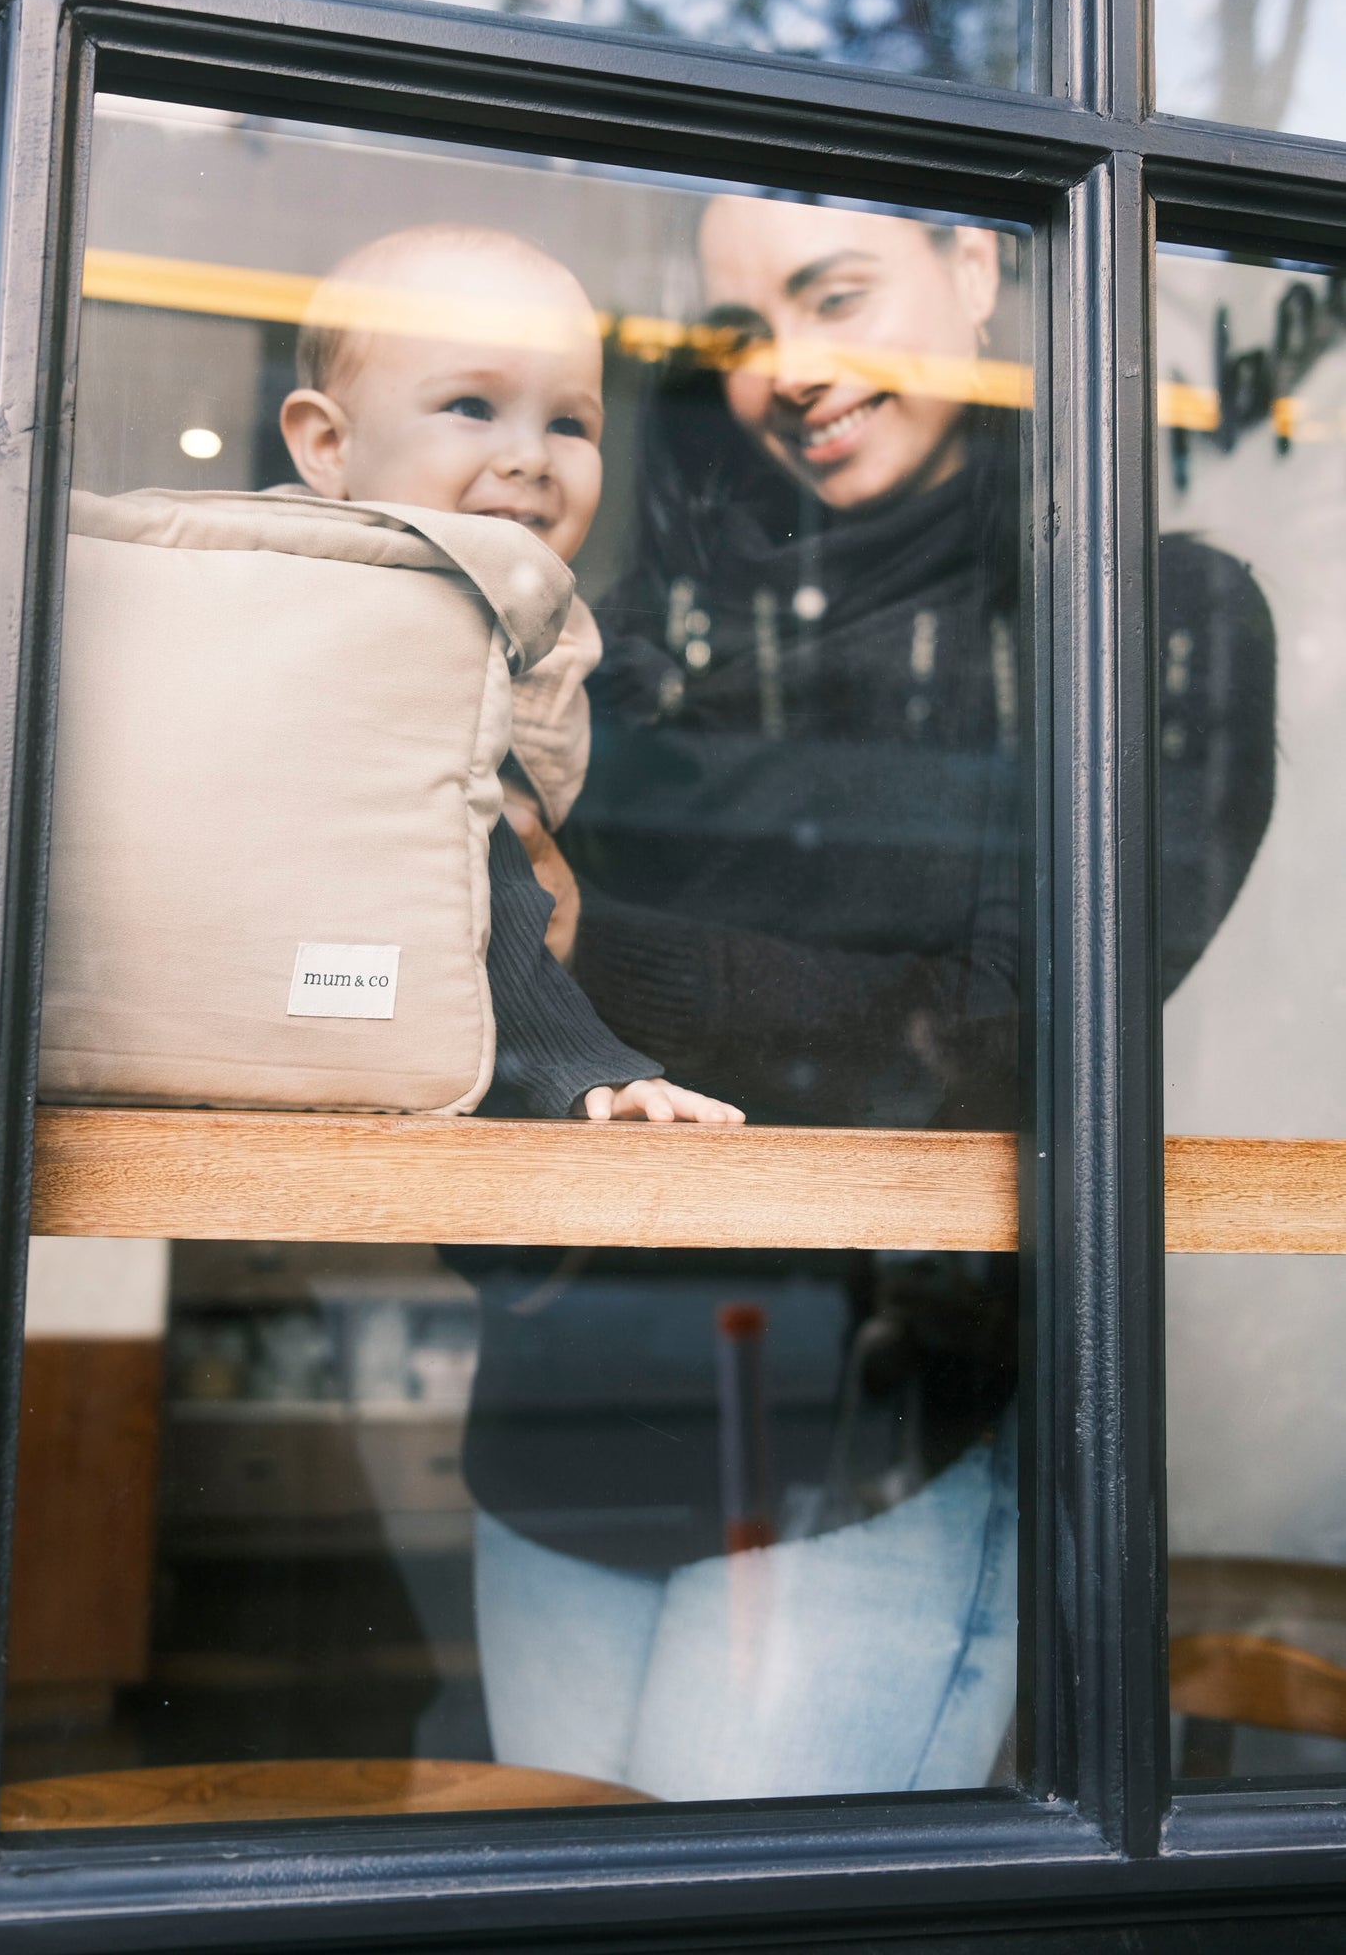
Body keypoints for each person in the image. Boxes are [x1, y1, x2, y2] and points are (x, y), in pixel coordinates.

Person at [456, 196, 1277, 1801]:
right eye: (746, 331)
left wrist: (589, 948)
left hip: (877, 1452)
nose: (796, 367)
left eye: (835, 292)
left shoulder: (1150, 628)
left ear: (977, 271)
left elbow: (1001, 1040)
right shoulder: (619, 656)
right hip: (561, 1430)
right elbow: (488, 1028)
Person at [277, 221, 744, 1130]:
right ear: (327, 446)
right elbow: (474, 871)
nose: (529, 454)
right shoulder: (367, 616)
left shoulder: (531, 625)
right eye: (471, 407)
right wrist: (582, 1063)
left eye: (568, 422)